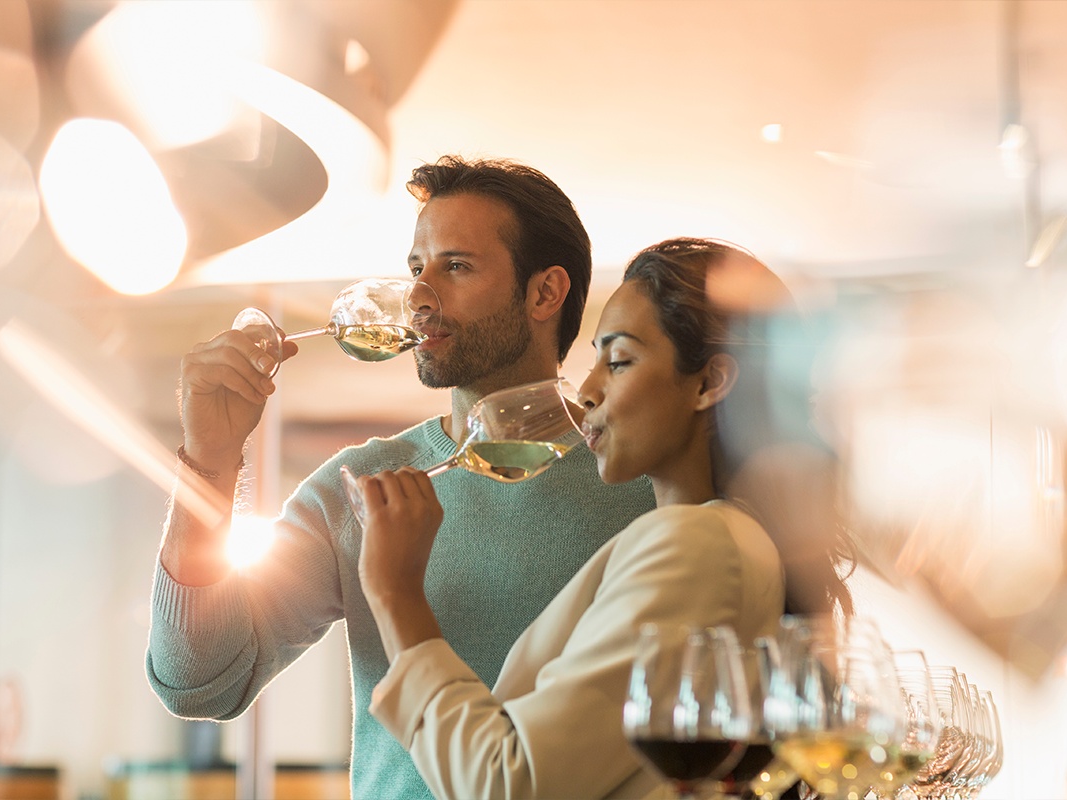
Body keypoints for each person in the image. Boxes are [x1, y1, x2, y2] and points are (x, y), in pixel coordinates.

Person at [145, 156, 657, 799]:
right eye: (417, 268)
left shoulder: (644, 481)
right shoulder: (355, 487)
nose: (418, 294)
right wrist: (210, 462)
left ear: (544, 293)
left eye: (456, 266)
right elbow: (199, 682)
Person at [353, 237, 856, 799]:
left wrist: (397, 597)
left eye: (619, 360)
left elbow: (508, 784)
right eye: (595, 359)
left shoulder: (699, 540)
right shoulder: (729, 535)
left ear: (710, 383)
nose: (587, 391)